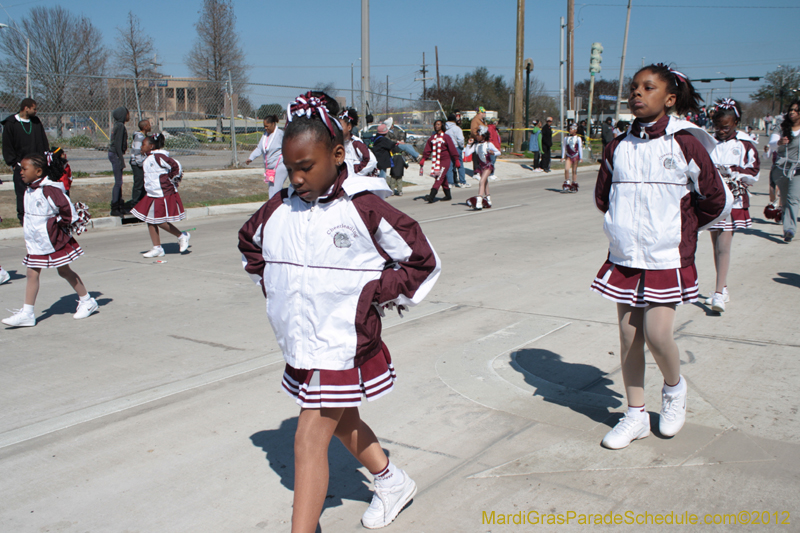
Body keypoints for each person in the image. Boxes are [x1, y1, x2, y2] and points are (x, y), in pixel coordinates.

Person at [237, 91, 441, 532]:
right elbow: (249, 243)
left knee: (309, 438)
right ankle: (391, 481)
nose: (296, 177)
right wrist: (276, 289)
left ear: (336, 154)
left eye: (305, 166)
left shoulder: (364, 207)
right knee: (343, 418)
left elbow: (422, 261)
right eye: (289, 167)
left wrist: (372, 293)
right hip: (302, 341)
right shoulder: (278, 208)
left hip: (343, 343)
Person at [591, 63, 731, 450]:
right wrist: (623, 227)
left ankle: (674, 389)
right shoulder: (617, 146)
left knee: (657, 335)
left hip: (667, 255)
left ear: (669, 99)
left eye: (648, 87)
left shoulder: (685, 143)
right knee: (628, 336)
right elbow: (603, 197)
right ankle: (635, 414)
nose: (637, 93)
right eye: (634, 87)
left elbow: (714, 198)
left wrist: (680, 230)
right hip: (625, 256)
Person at [2, 153, 98, 327]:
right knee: (33, 273)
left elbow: (69, 213)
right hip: (36, 242)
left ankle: (87, 301)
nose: (21, 172)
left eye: (25, 169)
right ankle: (28, 313)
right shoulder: (29, 189)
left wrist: (56, 225)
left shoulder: (50, 190)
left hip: (52, 241)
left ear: (38, 171)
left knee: (64, 271)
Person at [704, 98, 760, 311]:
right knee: (715, 244)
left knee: (723, 246)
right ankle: (723, 287)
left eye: (725, 127)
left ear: (736, 123)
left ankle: (718, 293)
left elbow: (754, 172)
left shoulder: (745, 144)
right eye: (717, 126)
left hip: (733, 200)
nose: (721, 131)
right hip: (712, 199)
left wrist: (733, 172)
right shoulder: (708, 142)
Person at [130, 134, 191, 257]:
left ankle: (181, 235)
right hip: (152, 193)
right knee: (150, 220)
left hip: (162, 193)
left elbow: (176, 166)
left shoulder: (158, 157)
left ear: (151, 146)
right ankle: (157, 248)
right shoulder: (148, 158)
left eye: (143, 144)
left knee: (158, 220)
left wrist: (172, 180)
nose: (141, 147)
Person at [2, 98, 50, 224]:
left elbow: (43, 142)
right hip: (20, 165)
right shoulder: (11, 123)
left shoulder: (36, 122)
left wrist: (44, 159)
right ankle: (23, 218)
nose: (36, 111)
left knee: (39, 192)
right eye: (34, 108)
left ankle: (39, 215)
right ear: (26, 108)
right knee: (22, 193)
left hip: (36, 165)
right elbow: (7, 145)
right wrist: (14, 163)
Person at [769, 99, 800, 242]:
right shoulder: (781, 127)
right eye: (791, 110)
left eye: (796, 110)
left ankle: (789, 229)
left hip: (797, 169)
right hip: (781, 168)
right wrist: (779, 142)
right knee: (785, 198)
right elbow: (772, 144)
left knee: (793, 198)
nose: (792, 112)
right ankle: (786, 223)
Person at [246, 114, 288, 199]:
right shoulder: (265, 135)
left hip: (280, 166)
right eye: (264, 126)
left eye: (267, 126)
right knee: (271, 190)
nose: (265, 128)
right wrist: (251, 158)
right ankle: (274, 205)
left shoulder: (280, 134)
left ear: (273, 124)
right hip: (270, 169)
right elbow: (259, 148)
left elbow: (288, 147)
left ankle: (275, 205)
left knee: (275, 190)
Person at [419, 119, 460, 203]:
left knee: (439, 177)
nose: (436, 126)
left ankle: (432, 195)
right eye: (435, 124)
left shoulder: (446, 137)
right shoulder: (432, 138)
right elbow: (427, 149)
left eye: (438, 124)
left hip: (445, 160)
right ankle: (448, 195)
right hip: (436, 161)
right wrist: (423, 159)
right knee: (442, 178)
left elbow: (452, 149)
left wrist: (456, 159)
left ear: (442, 126)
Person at [464, 125, 501, 210]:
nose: (477, 136)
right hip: (481, 166)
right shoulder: (476, 145)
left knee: (481, 181)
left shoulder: (488, 144)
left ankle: (479, 200)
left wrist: (493, 153)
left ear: (483, 136)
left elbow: (498, 152)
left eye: (478, 135)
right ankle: (488, 198)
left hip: (488, 165)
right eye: (476, 135)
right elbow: (467, 153)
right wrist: (469, 144)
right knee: (485, 182)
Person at [338, 108, 377, 176]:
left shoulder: (356, 143)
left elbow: (371, 161)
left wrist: (356, 172)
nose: (338, 128)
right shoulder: (337, 144)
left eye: (340, 126)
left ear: (349, 127)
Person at [108, 106, 130, 216]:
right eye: (127, 114)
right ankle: (115, 207)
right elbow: (117, 143)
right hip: (116, 154)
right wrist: (120, 158)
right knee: (118, 182)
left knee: (119, 181)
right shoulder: (120, 126)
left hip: (115, 154)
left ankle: (120, 205)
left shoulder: (118, 125)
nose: (128, 116)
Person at [129, 119, 151, 207]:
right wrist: (140, 163)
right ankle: (135, 204)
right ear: (145, 127)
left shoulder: (144, 137)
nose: (150, 126)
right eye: (149, 125)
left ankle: (142, 203)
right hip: (137, 164)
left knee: (143, 184)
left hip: (142, 163)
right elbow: (137, 152)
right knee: (138, 184)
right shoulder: (139, 137)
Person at [445, 113, 469, 187]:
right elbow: (460, 139)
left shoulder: (445, 128)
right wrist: (461, 146)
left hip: (448, 148)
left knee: (450, 166)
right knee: (460, 165)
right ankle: (462, 182)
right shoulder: (457, 128)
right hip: (456, 147)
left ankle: (450, 182)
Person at [561, 124, 583, 192]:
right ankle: (567, 182)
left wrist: (581, 157)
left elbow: (580, 148)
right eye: (569, 129)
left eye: (571, 129)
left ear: (575, 130)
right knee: (566, 169)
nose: (570, 130)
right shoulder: (566, 138)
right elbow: (564, 147)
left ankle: (574, 183)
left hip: (575, 156)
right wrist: (562, 156)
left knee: (574, 170)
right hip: (568, 155)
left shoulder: (578, 138)